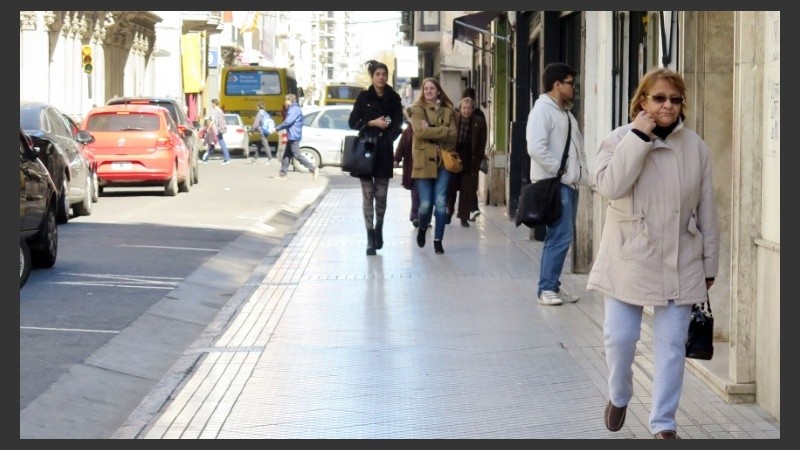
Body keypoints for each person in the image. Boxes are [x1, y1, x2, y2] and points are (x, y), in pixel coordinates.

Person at [587, 67, 720, 440]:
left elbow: (707, 209)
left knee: (672, 348)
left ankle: (664, 425)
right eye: (659, 98)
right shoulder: (617, 140)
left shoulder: (695, 146)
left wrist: (710, 262)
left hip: (681, 257)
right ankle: (619, 394)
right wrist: (638, 137)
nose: (668, 106)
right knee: (620, 339)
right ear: (642, 100)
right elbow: (610, 186)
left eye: (675, 100)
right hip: (628, 257)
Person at [526, 62, 589, 305]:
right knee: (559, 235)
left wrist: (584, 177)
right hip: (555, 183)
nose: (574, 88)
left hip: (569, 183)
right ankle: (546, 289)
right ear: (557, 85)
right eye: (571, 83)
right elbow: (536, 148)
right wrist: (560, 171)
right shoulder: (542, 111)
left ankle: (553, 285)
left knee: (562, 235)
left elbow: (578, 150)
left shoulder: (565, 113)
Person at [348, 59, 403, 256]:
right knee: (367, 195)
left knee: (381, 196)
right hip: (366, 151)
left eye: (384, 74)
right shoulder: (363, 97)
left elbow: (398, 122)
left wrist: (386, 127)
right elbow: (353, 121)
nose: (381, 78)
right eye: (378, 74)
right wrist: (371, 122)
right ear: (372, 77)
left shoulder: (393, 97)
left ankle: (379, 227)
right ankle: (370, 237)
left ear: (387, 77)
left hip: (384, 151)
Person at [407, 77, 457, 255]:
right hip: (422, 162)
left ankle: (438, 240)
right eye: (425, 88)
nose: (428, 91)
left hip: (443, 162)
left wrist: (433, 132)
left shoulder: (448, 111)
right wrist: (442, 130)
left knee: (441, 202)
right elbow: (420, 132)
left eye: (432, 88)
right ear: (422, 91)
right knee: (426, 204)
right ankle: (422, 228)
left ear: (438, 91)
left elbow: (453, 137)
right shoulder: (416, 110)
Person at [447, 97, 487, 228]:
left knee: (466, 191)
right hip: (454, 159)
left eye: (469, 108)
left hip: (470, 161)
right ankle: (448, 212)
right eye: (464, 108)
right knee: (451, 188)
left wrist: (479, 158)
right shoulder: (454, 119)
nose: (466, 110)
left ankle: (464, 217)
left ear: (473, 109)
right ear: (460, 108)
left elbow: (482, 142)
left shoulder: (479, 122)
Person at [274, 94, 318, 180]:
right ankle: (283, 174)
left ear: (290, 100)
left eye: (286, 100)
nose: (284, 102)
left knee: (297, 155)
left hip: (294, 135)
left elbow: (288, 122)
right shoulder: (293, 109)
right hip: (292, 135)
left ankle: (313, 168)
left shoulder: (294, 109)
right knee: (286, 155)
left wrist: (277, 128)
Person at [461, 87, 486, 221]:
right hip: (466, 156)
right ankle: (471, 209)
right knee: (469, 186)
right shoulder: (458, 117)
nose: (467, 110)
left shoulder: (478, 117)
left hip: (470, 157)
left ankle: (471, 209)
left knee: (469, 184)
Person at [393, 115, 420, 228]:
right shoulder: (407, 132)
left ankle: (424, 218)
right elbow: (401, 147)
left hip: (427, 169)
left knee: (426, 196)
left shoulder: (428, 130)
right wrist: (396, 159)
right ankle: (415, 216)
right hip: (412, 169)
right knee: (415, 195)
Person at [202, 98, 230, 164]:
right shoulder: (220, 110)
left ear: (214, 103)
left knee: (213, 143)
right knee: (219, 143)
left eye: (212, 103)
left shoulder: (215, 111)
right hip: (221, 129)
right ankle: (227, 159)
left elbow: (212, 121)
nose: (211, 104)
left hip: (216, 129)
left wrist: (208, 128)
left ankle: (206, 159)